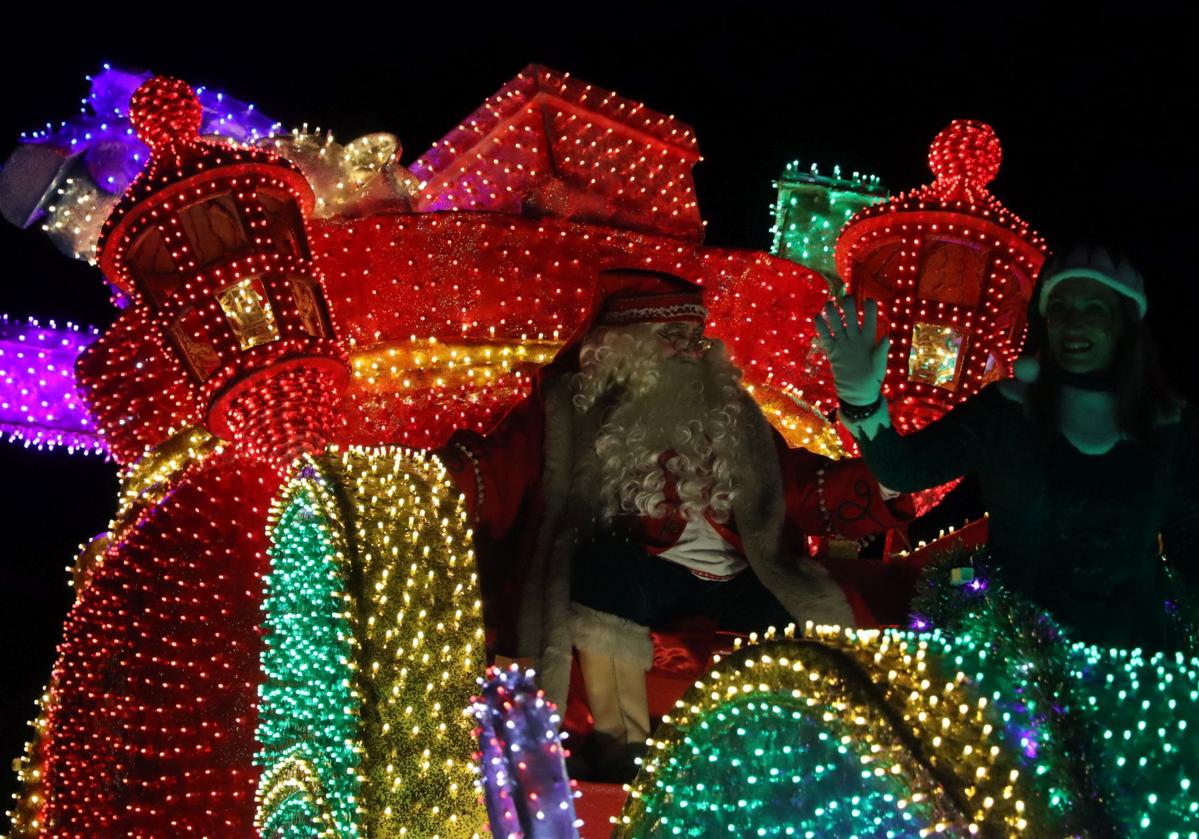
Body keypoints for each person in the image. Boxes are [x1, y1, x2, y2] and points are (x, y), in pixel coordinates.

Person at [437, 268, 912, 780]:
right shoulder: (568, 410)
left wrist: (888, 470)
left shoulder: (735, 415)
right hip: (638, 572)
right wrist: (432, 478)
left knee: (805, 609)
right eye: (674, 337)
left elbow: (797, 485)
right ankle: (623, 751)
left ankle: (784, 759)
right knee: (603, 574)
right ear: (624, 346)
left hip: (740, 576)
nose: (691, 351)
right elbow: (498, 468)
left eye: (695, 337)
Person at [814, 244, 1198, 650]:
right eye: (1060, 310)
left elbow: (1188, 537)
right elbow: (905, 470)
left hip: (1134, 664)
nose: (1073, 323)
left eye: (1093, 309)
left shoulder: (1169, 425)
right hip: (1017, 663)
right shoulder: (1007, 410)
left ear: (1125, 323)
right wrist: (862, 402)